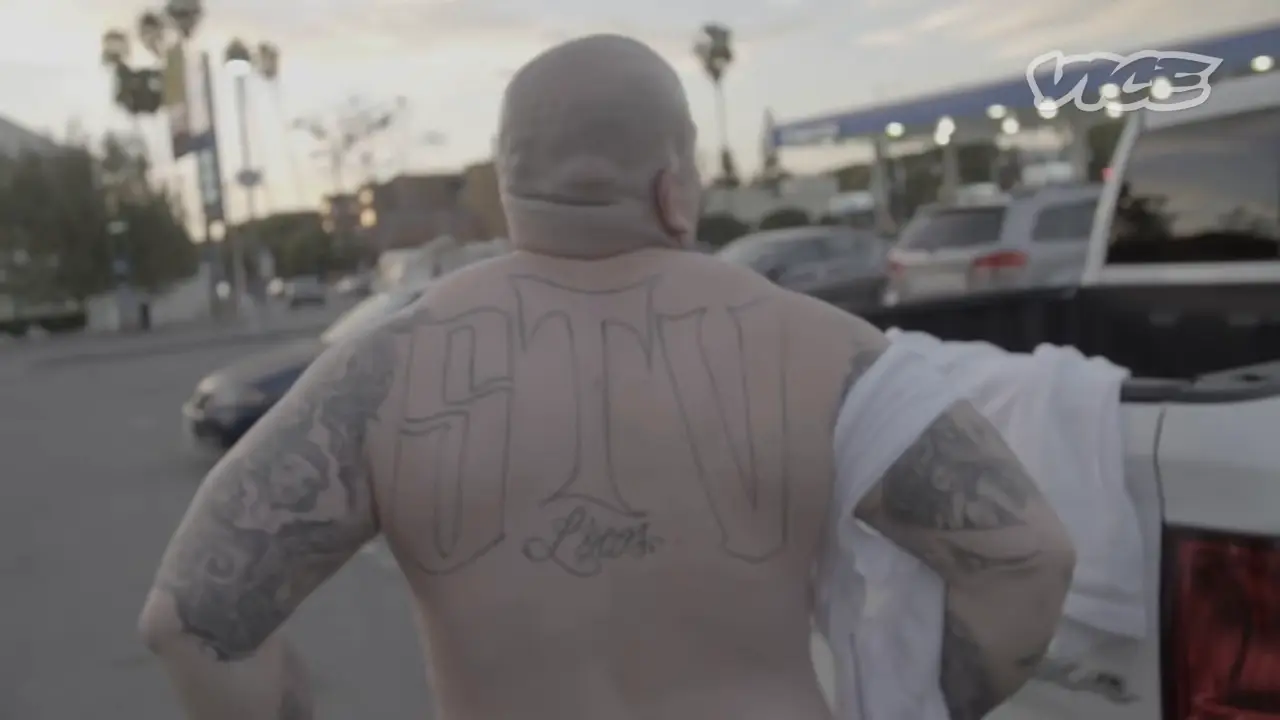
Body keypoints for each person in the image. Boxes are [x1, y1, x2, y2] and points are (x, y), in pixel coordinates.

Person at [138, 34, 1075, 720]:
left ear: (512, 188)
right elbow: (1028, 558)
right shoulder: (828, 351)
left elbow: (191, 621)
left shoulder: (381, 373)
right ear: (674, 187)